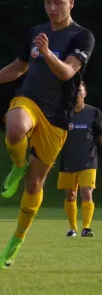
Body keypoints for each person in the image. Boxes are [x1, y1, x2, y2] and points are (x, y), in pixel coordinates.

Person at [0, 0, 95, 270]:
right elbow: (19, 66)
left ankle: (16, 240)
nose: (52, 8)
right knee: (15, 127)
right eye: (48, 2)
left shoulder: (82, 37)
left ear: (71, 4)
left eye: (58, 3)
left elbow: (67, 73)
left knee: (36, 183)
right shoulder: (36, 32)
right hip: (29, 100)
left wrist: (48, 52)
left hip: (58, 117)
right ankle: (17, 164)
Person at [57, 81, 101, 238]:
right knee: (70, 195)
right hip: (68, 161)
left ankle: (86, 228)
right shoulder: (64, 114)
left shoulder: (94, 113)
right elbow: (56, 137)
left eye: (80, 91)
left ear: (85, 93)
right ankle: (72, 228)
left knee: (86, 192)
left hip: (88, 160)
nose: (77, 95)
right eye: (74, 92)